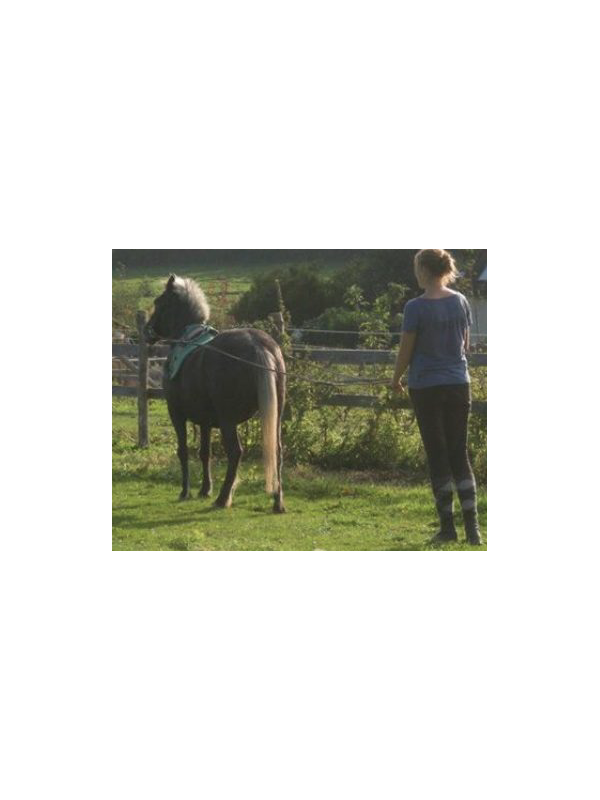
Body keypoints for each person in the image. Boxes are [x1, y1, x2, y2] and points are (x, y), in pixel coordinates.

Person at [390, 249, 482, 545]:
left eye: (417, 267)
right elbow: (464, 344)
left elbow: (406, 349)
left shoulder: (415, 308)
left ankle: (447, 528)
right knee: (459, 452)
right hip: (458, 382)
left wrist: (395, 378)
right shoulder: (461, 301)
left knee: (438, 455)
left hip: (426, 386)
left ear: (425, 271)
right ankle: (473, 530)